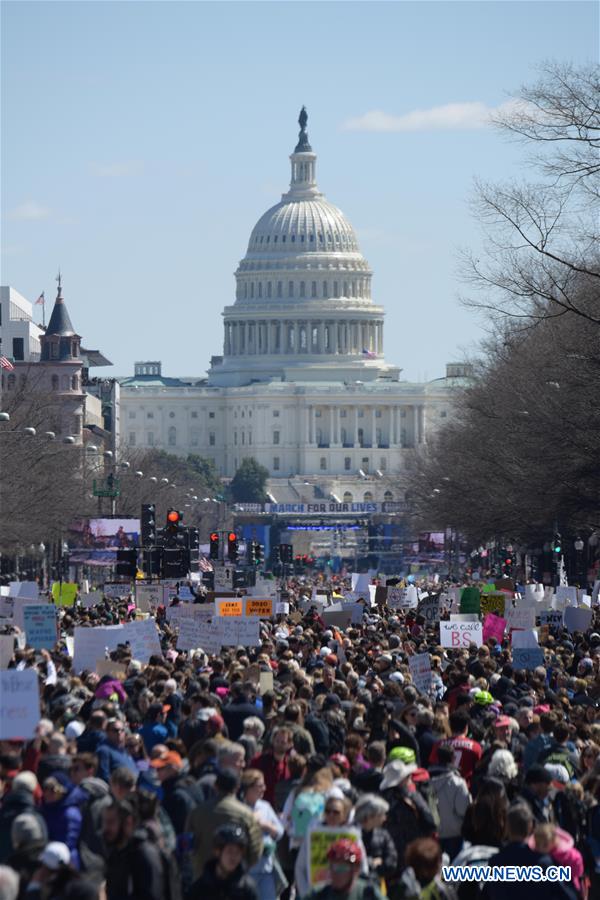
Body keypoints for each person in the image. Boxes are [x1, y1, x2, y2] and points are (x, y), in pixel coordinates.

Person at [186, 768, 263, 879]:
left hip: (203, 877)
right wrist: (240, 865)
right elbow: (255, 848)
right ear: (237, 788)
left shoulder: (197, 812)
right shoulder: (246, 814)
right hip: (234, 878)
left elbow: (187, 845)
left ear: (215, 787)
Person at [102, 796, 167, 900]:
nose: (106, 828)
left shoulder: (144, 853)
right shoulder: (116, 854)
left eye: (111, 822)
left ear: (128, 822)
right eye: (105, 822)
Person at [240, 769, 286, 900]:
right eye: (260, 786)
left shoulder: (265, 806)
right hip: (247, 870)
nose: (264, 789)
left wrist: (265, 826)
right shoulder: (240, 807)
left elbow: (280, 832)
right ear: (248, 787)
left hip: (266, 868)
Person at [185, 824, 260, 900]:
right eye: (229, 851)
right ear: (217, 852)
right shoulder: (199, 888)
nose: (233, 857)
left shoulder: (246, 888)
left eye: (237, 852)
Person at [303, 838, 386, 900]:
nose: (336, 873)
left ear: (355, 869)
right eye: (333, 867)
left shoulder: (368, 893)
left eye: (342, 868)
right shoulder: (318, 894)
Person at [95, 719, 138, 783]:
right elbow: (104, 777)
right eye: (115, 730)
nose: (119, 733)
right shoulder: (104, 751)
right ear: (107, 732)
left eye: (122, 730)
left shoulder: (125, 751)